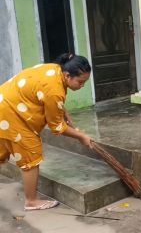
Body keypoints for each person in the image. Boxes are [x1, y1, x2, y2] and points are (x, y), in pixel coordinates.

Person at [0, 53, 93, 210]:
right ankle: (31, 201)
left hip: (3, 104)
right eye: (80, 82)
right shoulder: (54, 90)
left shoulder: (54, 70)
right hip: (12, 115)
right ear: (68, 75)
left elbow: (55, 104)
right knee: (31, 157)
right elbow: (56, 127)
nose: (82, 86)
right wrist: (81, 136)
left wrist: (68, 118)